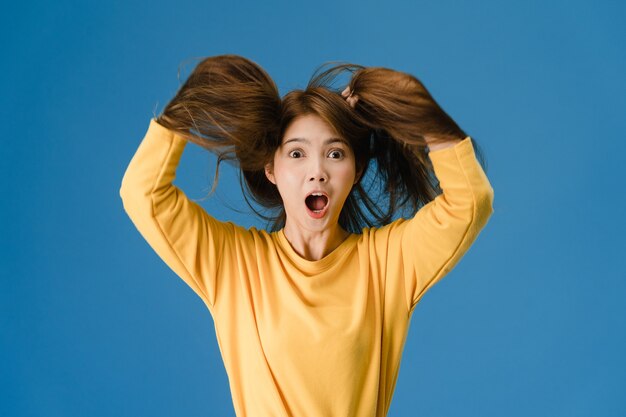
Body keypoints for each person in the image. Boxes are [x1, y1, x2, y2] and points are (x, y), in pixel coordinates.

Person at [119, 54, 494, 417]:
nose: (317, 172)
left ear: (357, 169)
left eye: (335, 154)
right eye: (297, 154)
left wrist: (398, 100)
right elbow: (144, 193)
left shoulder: (386, 265)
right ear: (271, 168)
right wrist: (191, 104)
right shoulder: (233, 265)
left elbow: (470, 202)